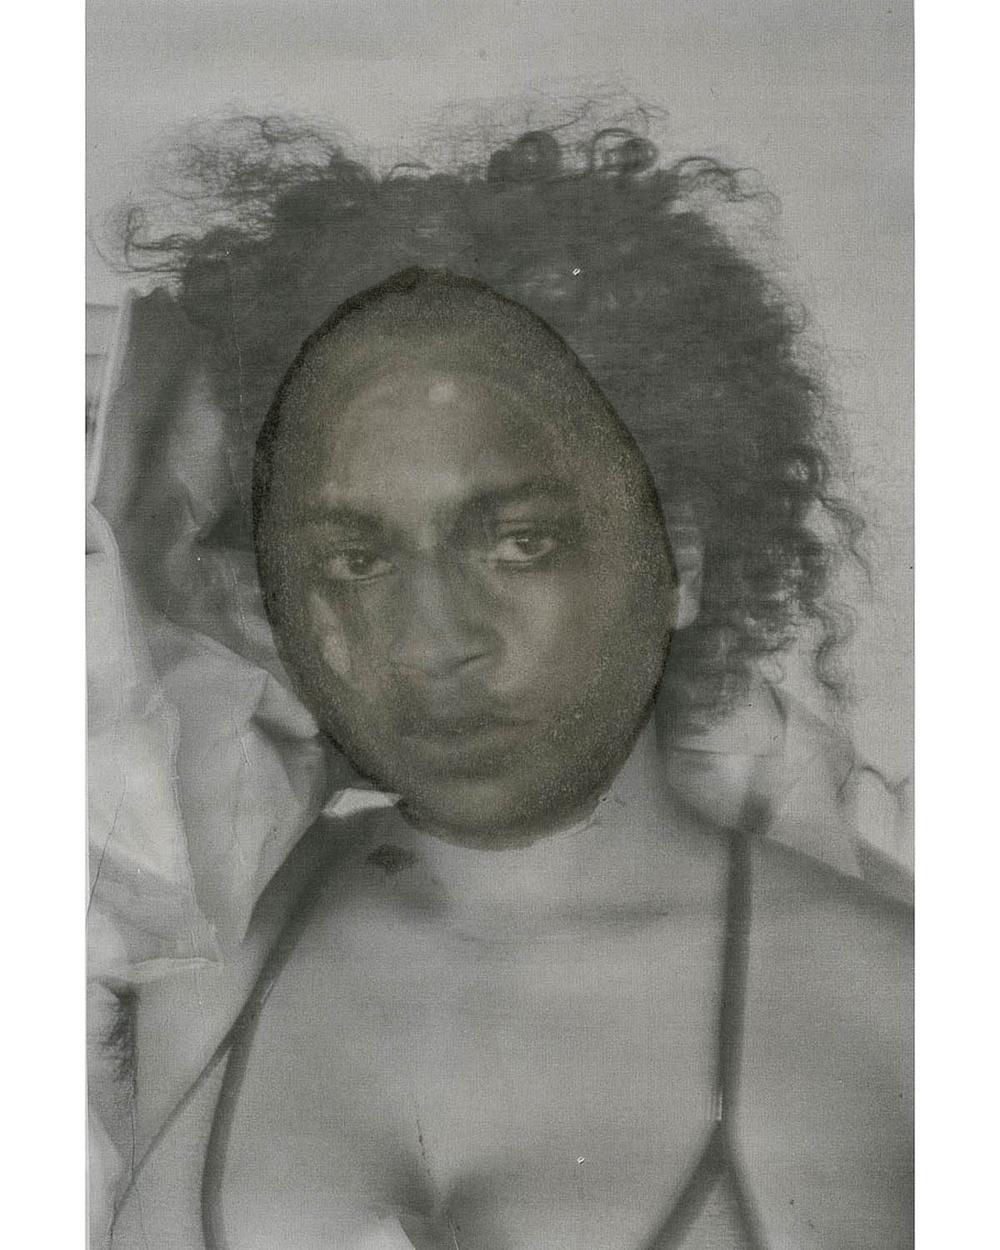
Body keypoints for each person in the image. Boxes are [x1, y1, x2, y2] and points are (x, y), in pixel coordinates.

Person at [95, 117, 911, 1249]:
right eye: (354, 561)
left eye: (520, 542)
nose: (434, 642)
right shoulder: (191, 965)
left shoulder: (895, 1008)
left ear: (677, 564)